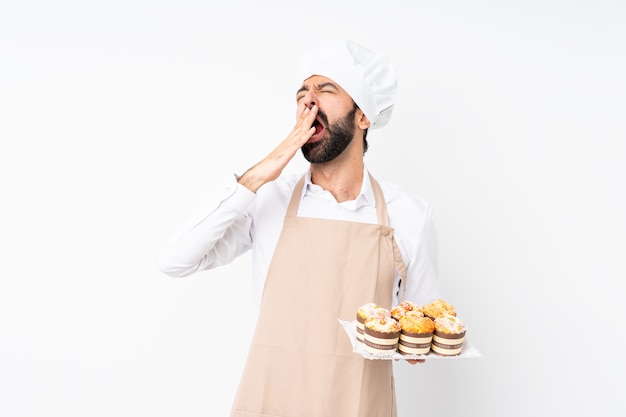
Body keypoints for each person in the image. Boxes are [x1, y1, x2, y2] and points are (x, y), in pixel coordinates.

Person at [157, 39, 440, 417]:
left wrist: (417, 343)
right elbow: (175, 259)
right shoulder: (268, 199)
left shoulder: (410, 216)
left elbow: (419, 329)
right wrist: (265, 169)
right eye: (302, 93)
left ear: (363, 116)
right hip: (269, 403)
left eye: (326, 89)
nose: (309, 101)